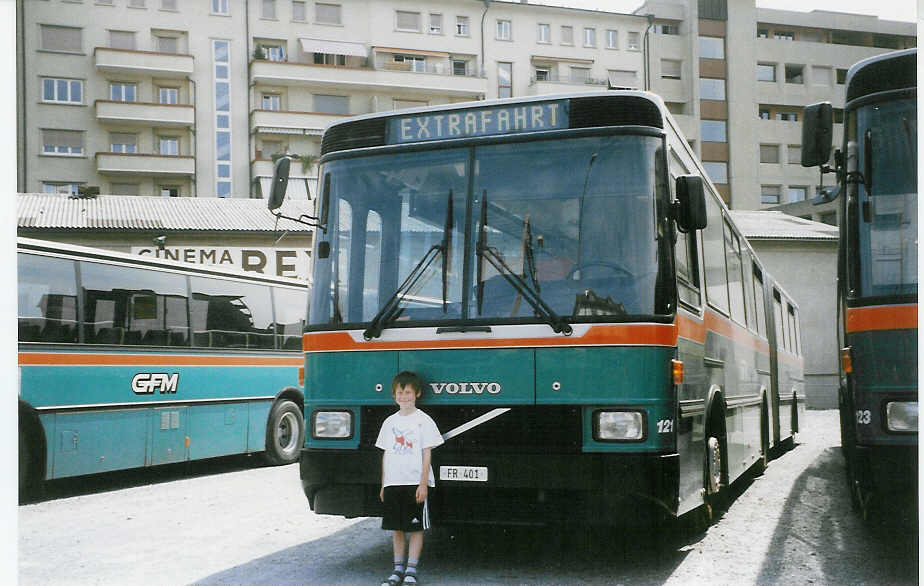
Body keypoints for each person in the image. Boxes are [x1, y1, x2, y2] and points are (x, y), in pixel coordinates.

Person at [376, 371, 444, 586]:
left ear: (417, 394)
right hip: (393, 483)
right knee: (396, 527)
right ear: (394, 395)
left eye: (407, 392)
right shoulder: (389, 422)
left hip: (414, 483)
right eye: (399, 393)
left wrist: (423, 483)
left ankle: (411, 570)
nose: (403, 397)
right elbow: (386, 453)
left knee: (415, 528)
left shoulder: (424, 421)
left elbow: (427, 453)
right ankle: (397, 569)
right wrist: (384, 484)